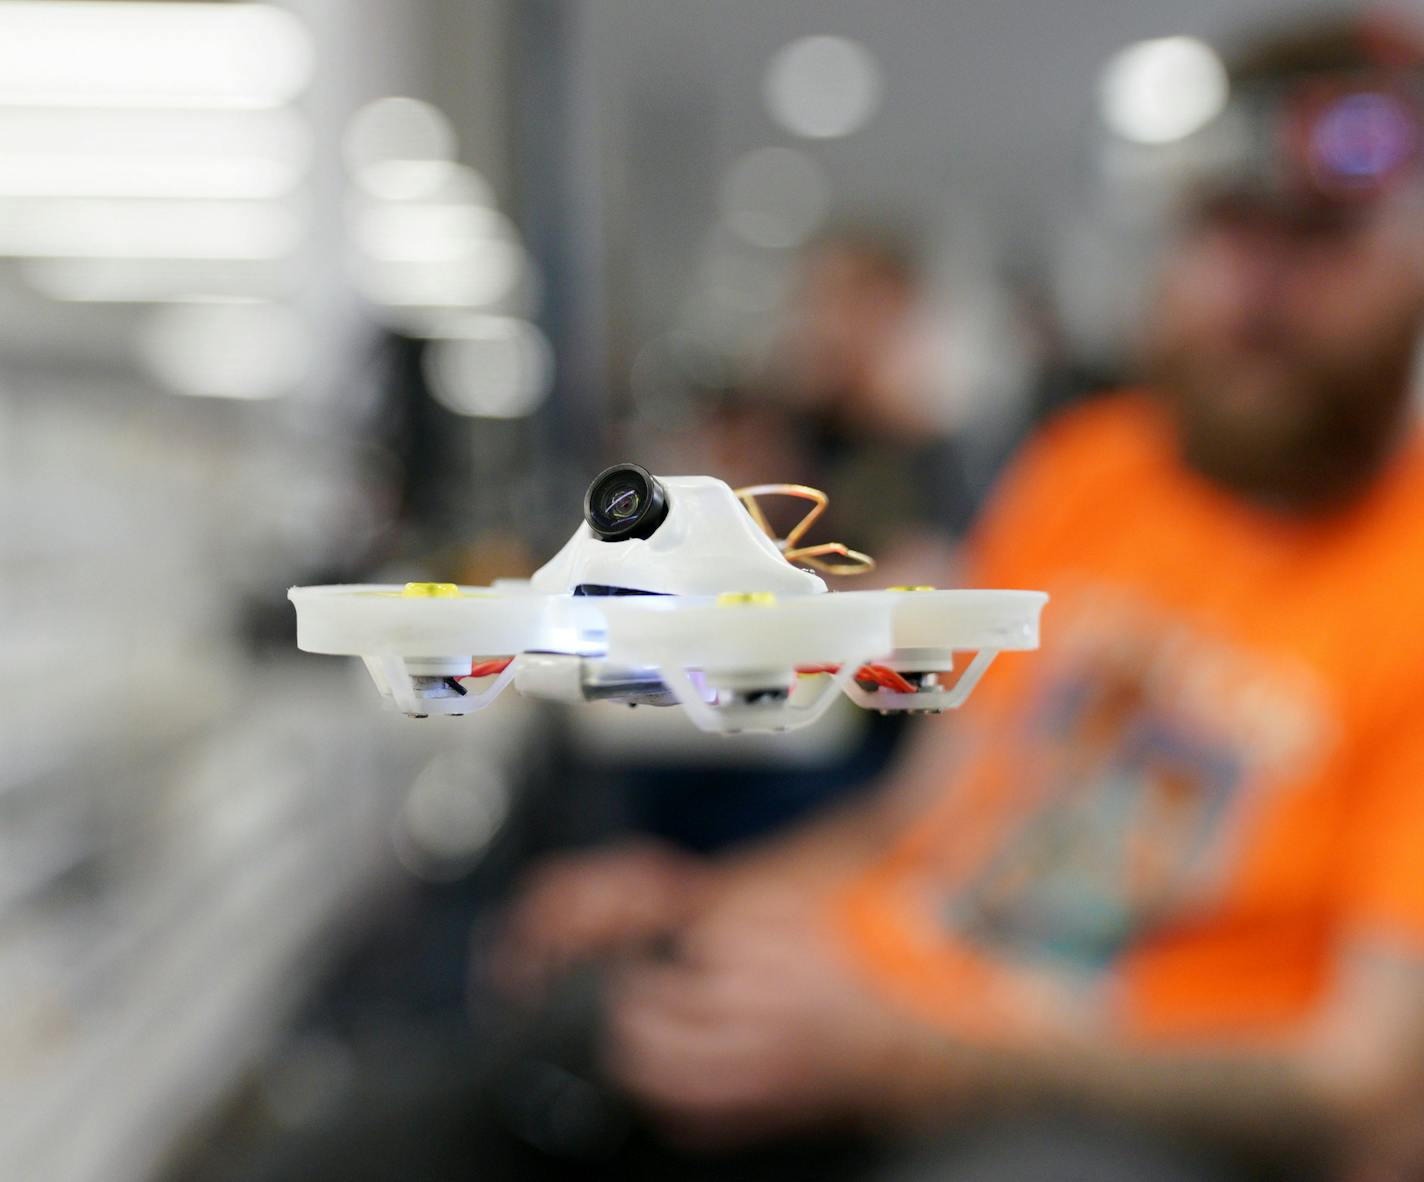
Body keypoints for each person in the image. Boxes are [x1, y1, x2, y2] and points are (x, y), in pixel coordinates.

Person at [497, 16, 1424, 1181]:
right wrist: (707, 897)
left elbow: (1374, 1087)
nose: (1257, 293)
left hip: (1089, 1114)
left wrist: (919, 1056)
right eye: (1225, 233)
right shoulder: (1093, 468)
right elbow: (920, 825)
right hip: (863, 1035)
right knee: (485, 1075)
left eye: (1318, 243)